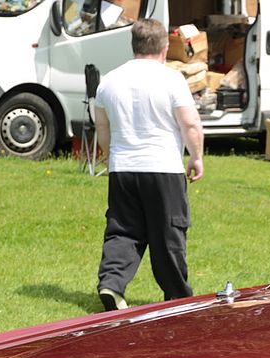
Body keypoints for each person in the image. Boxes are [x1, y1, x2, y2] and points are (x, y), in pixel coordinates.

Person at [93, 18, 204, 311]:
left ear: (134, 45)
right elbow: (190, 123)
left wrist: (110, 156)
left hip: (123, 167)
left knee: (123, 230)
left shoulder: (109, 80)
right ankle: (178, 296)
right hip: (162, 167)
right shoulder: (171, 79)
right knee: (168, 232)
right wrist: (196, 157)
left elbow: (101, 128)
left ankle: (111, 284)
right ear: (165, 48)